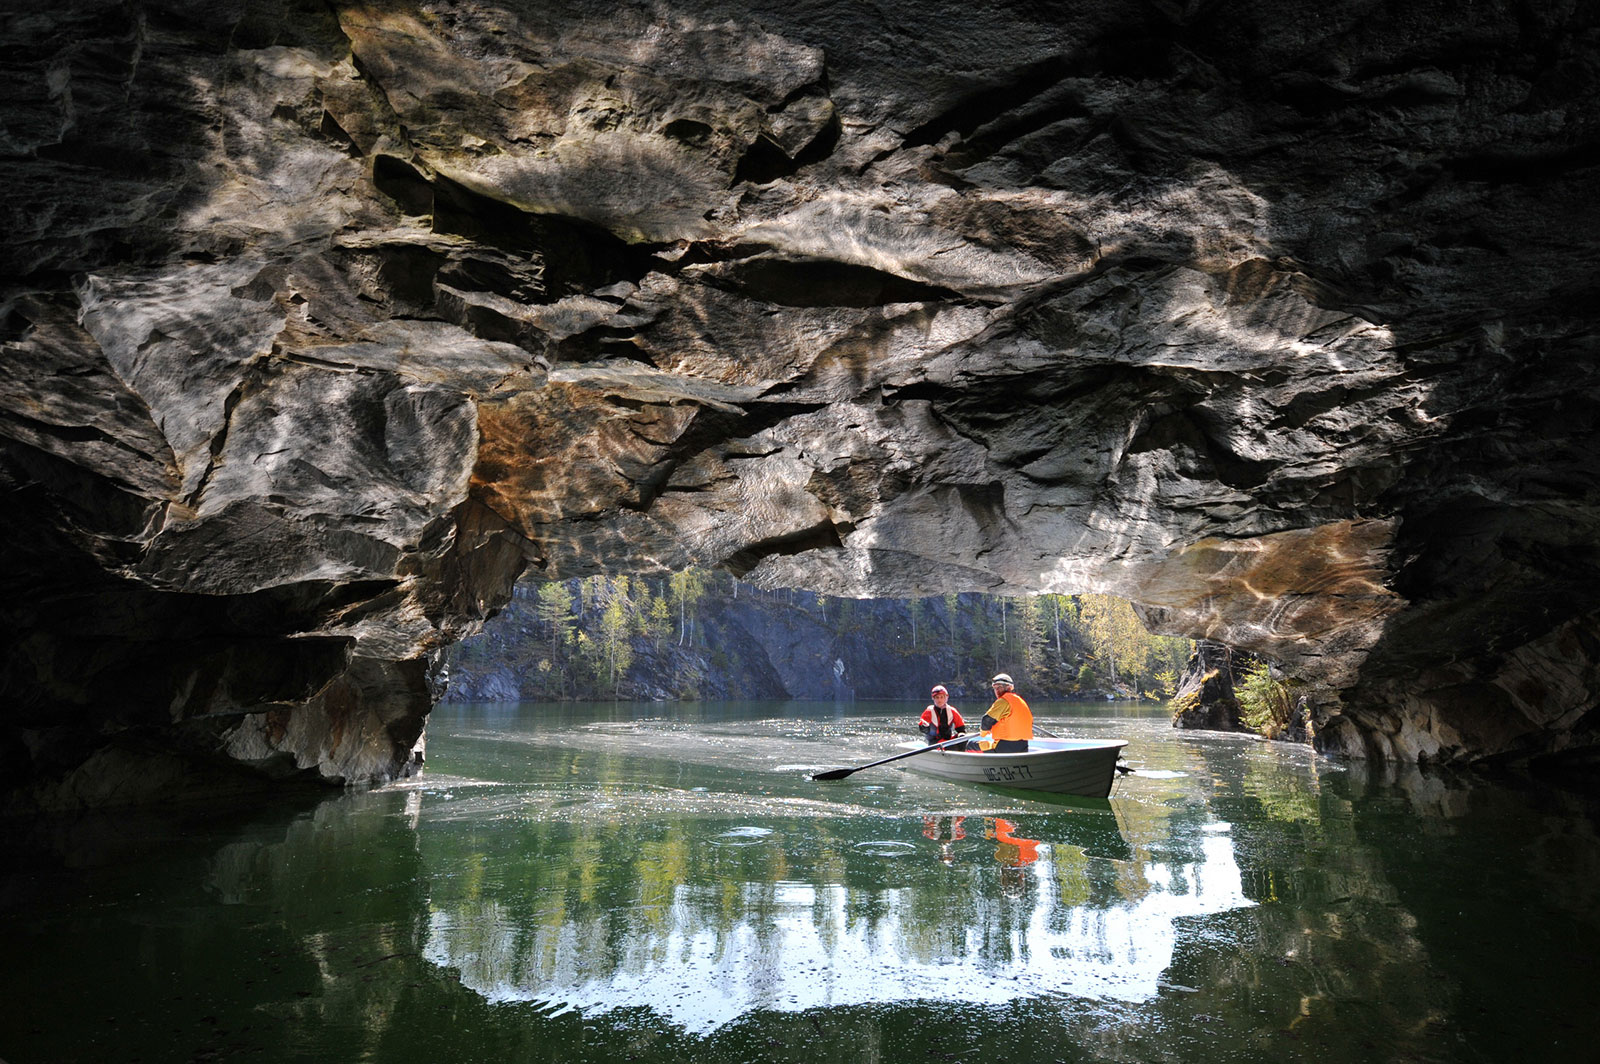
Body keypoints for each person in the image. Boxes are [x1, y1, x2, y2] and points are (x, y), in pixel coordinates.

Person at [977, 672, 1033, 752]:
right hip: (1022, 745)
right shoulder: (1021, 701)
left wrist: (983, 733)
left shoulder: (1003, 701)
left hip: (1004, 746)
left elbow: (987, 720)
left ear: (1009, 687)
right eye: (995, 688)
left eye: (999, 687)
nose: (997, 690)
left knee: (970, 745)